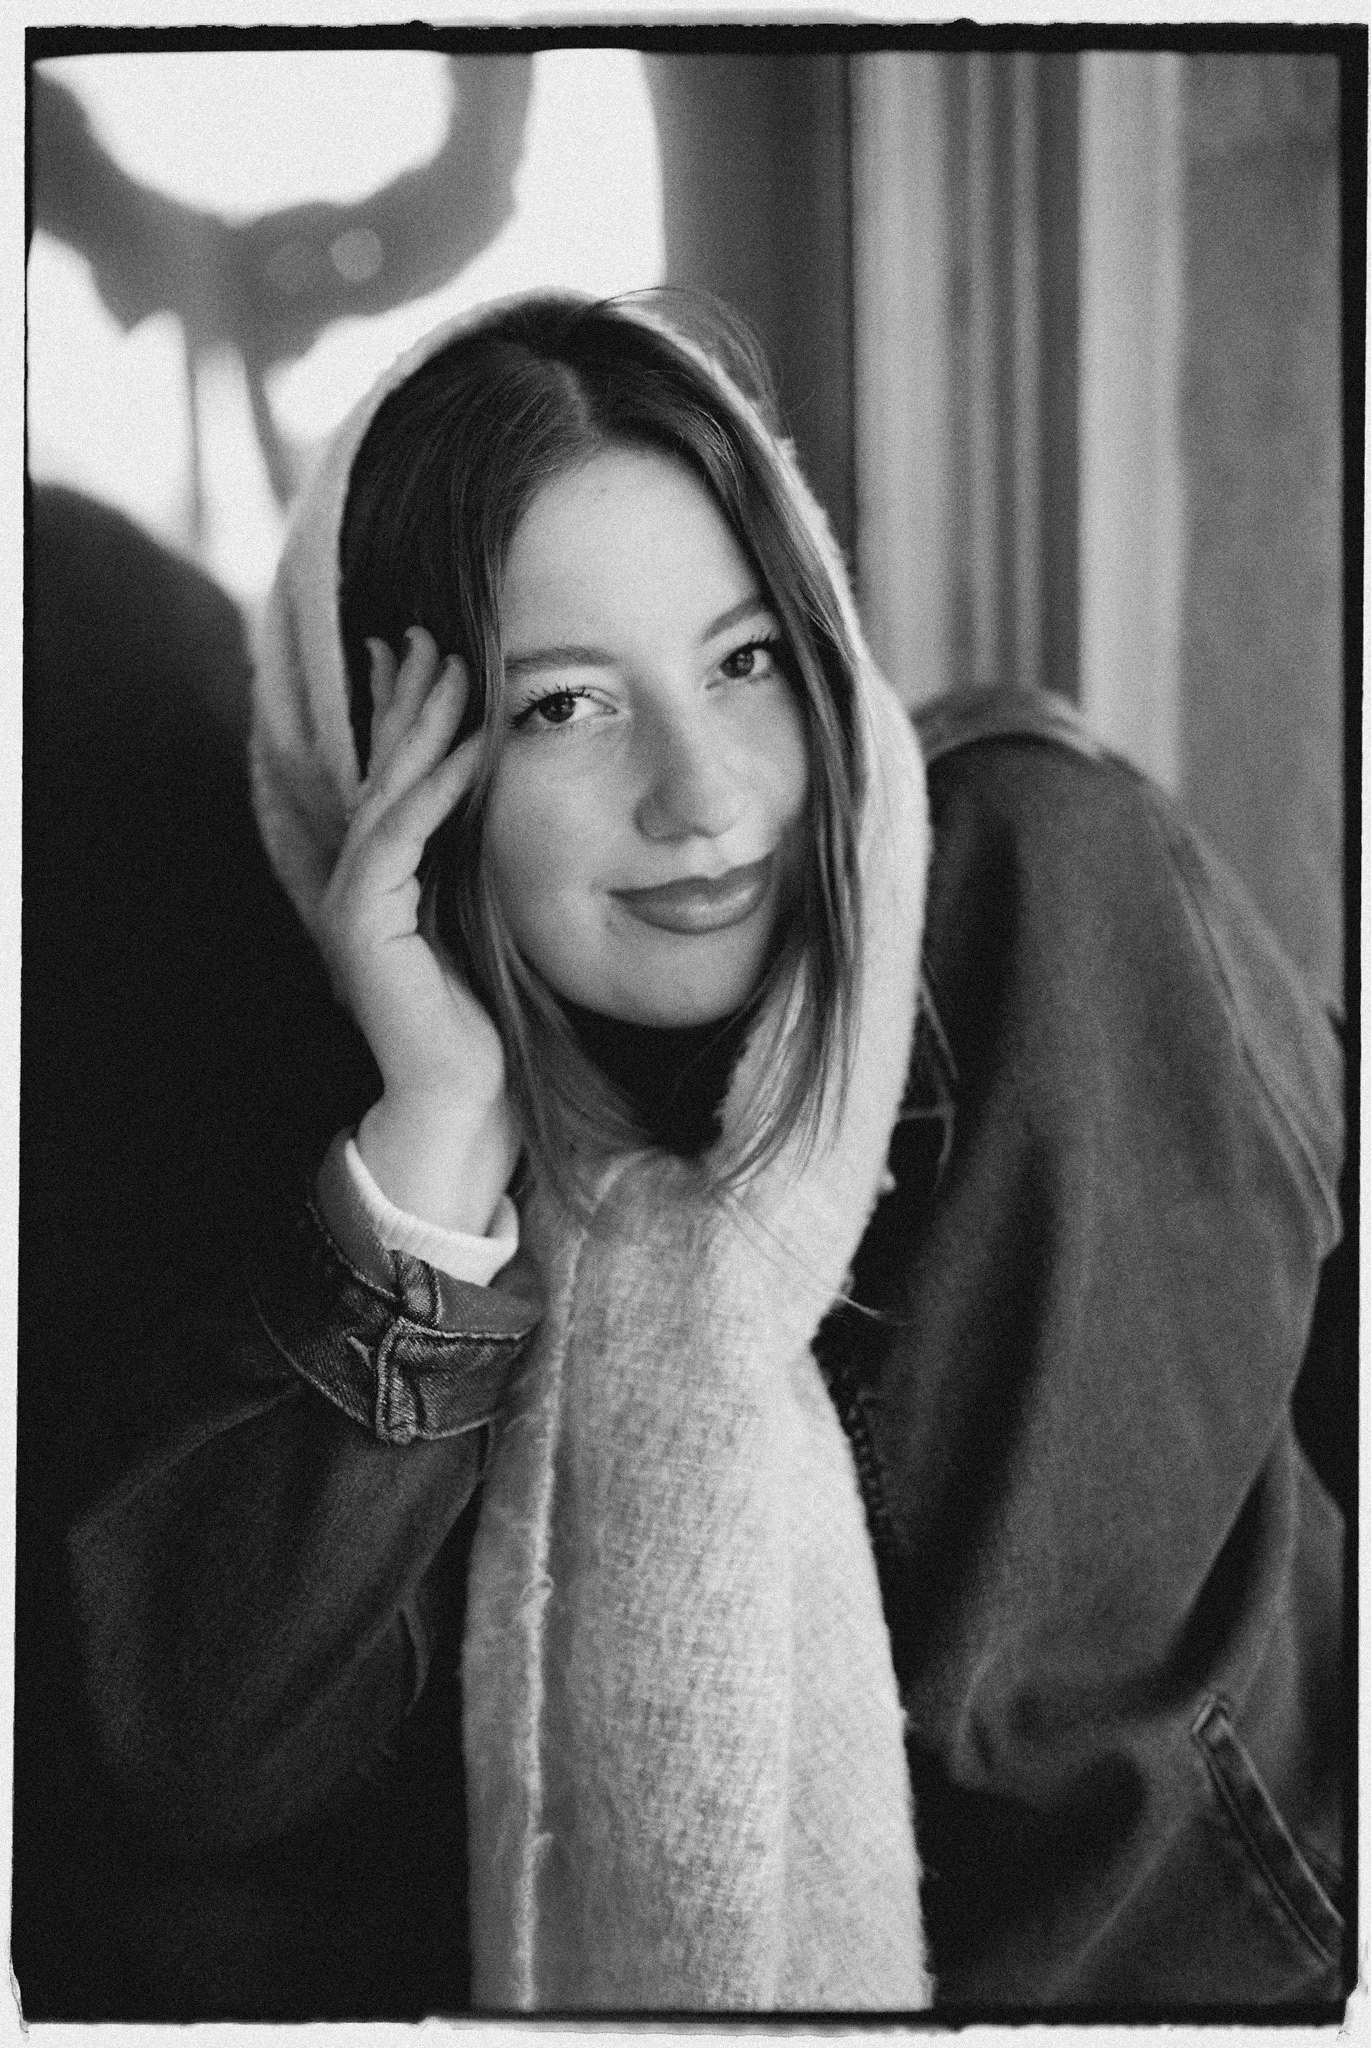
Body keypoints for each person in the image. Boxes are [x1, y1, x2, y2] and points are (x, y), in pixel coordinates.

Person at [58, 292, 1346, 2019]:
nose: (705, 800)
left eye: (744, 663)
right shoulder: (326, 1108)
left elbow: (1085, 1769)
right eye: (562, 708)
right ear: (386, 772)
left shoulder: (1033, 902)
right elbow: (206, 1757)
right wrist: (435, 1150)